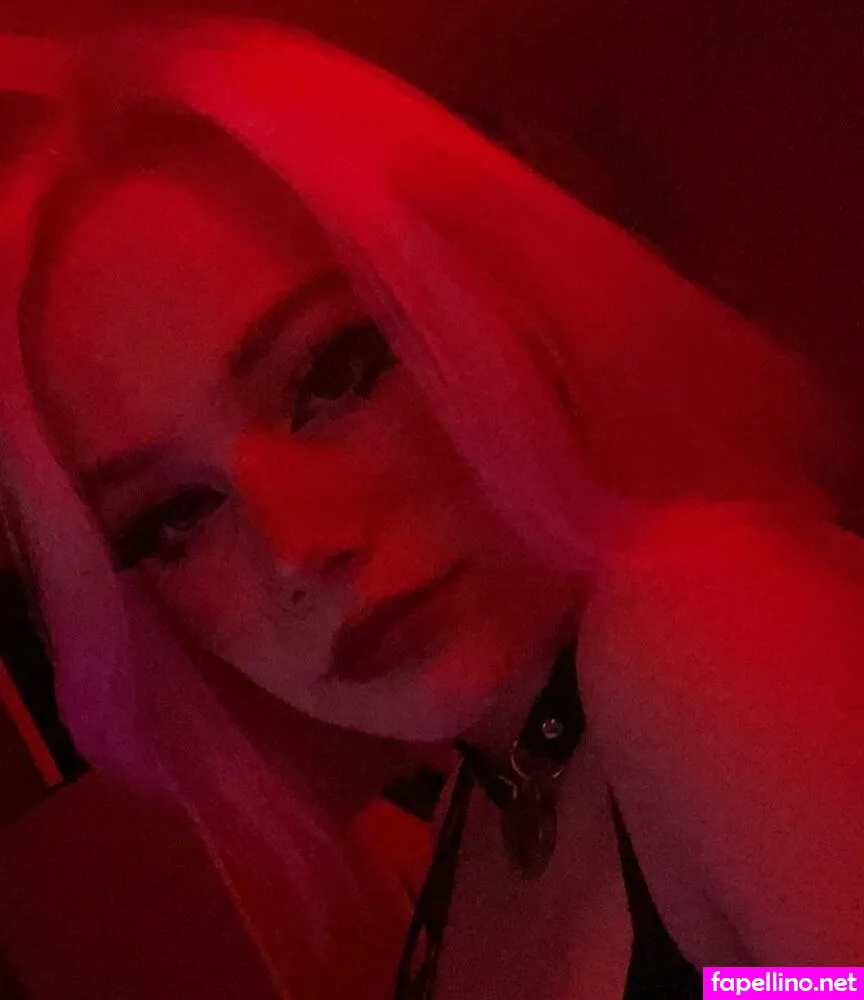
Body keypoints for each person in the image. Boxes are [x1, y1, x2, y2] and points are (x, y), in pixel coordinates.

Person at [1, 15, 862, 1000]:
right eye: (173, 515)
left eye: (334, 374)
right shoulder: (484, 797)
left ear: (501, 302)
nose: (295, 546)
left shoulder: (696, 624)